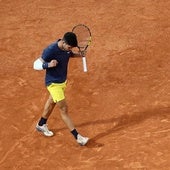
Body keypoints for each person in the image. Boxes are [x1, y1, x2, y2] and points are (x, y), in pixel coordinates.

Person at [33, 32, 89, 146]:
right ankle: (78, 137)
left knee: (51, 102)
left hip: (62, 82)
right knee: (64, 109)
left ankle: (41, 124)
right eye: (69, 47)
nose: (70, 49)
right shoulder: (50, 50)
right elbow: (35, 65)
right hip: (53, 84)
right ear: (63, 42)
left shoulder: (66, 48)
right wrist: (48, 65)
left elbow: (69, 54)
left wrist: (79, 54)